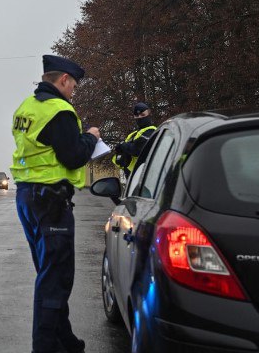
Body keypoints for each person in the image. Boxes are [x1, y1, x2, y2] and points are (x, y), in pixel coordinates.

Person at [11, 55, 100, 353]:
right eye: (73, 85)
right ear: (63, 80)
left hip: (27, 197)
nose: (73, 91)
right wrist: (90, 138)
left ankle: (66, 341)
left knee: (49, 273)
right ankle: (45, 347)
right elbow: (73, 156)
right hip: (51, 201)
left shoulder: (27, 107)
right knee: (55, 278)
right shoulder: (59, 110)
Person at [112, 102, 156, 179]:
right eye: (136, 115)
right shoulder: (133, 134)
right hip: (132, 177)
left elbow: (137, 150)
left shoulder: (151, 131)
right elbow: (120, 159)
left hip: (144, 176)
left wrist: (123, 146)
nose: (139, 117)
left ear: (149, 115)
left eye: (143, 115)